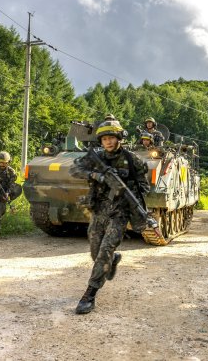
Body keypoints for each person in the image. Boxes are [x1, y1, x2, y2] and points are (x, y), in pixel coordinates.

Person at [70, 120, 150, 314]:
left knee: (105, 249)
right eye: (104, 139)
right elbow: (74, 170)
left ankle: (89, 295)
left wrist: (123, 186)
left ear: (119, 138)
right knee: (95, 251)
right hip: (99, 209)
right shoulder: (96, 157)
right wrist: (98, 176)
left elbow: (144, 187)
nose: (107, 142)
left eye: (111, 138)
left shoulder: (132, 160)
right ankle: (112, 260)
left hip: (120, 211)